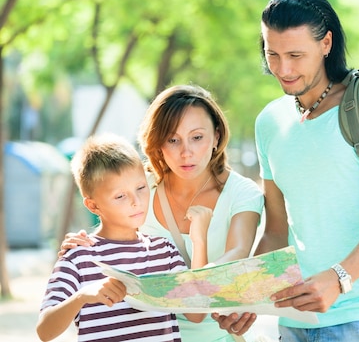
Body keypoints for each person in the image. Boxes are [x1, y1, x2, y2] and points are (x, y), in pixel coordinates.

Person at [214, 0, 359, 341]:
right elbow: (278, 231)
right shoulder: (270, 122)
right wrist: (249, 294)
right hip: (295, 323)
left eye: (296, 54)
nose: (283, 69)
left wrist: (339, 278)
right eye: (272, 54)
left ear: (326, 44)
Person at [59, 85, 264, 342]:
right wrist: (86, 244)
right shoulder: (141, 187)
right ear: (158, 144)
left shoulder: (242, 192)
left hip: (214, 336)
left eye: (197, 137)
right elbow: (113, 233)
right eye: (173, 139)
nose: (186, 152)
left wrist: (212, 282)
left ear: (216, 136)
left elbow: (237, 254)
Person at [37, 133, 211, 342]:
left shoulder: (163, 251)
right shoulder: (79, 257)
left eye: (141, 188)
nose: (136, 201)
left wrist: (199, 241)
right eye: (120, 196)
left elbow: (197, 313)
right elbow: (44, 331)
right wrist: (82, 296)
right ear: (93, 205)